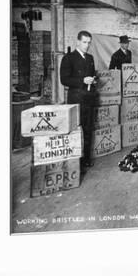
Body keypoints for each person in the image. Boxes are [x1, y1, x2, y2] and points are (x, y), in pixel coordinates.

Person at [60, 30, 97, 172]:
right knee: (76, 131)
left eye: (89, 43)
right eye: (84, 42)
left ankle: (85, 160)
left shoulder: (90, 58)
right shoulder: (68, 58)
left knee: (88, 130)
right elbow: (64, 80)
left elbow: (92, 75)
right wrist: (82, 80)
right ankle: (75, 162)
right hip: (76, 99)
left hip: (88, 99)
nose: (87, 45)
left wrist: (94, 80)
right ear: (77, 41)